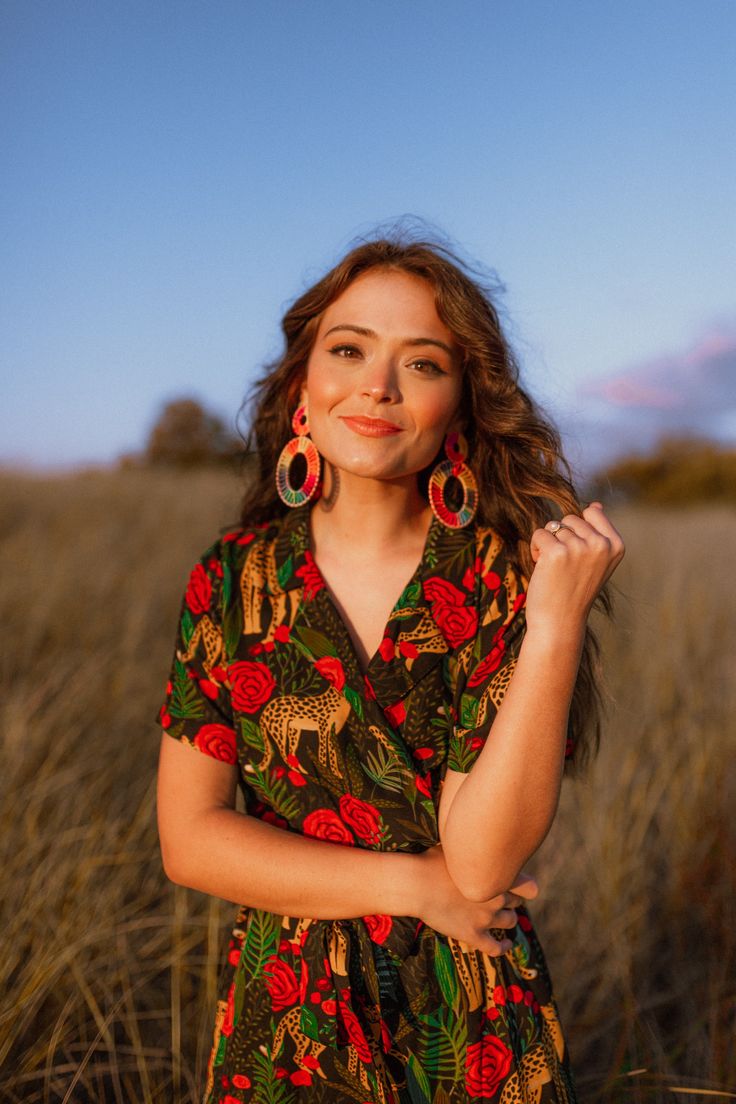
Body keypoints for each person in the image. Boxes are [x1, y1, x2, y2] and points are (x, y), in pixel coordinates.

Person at [155, 233, 624, 1104]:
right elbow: (190, 841)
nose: (378, 386)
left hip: (471, 1018)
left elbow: (481, 869)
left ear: (462, 404)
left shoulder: (494, 579)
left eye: (423, 363)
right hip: (288, 1021)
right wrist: (415, 887)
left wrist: (554, 624)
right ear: (304, 384)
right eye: (349, 350)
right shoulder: (232, 581)